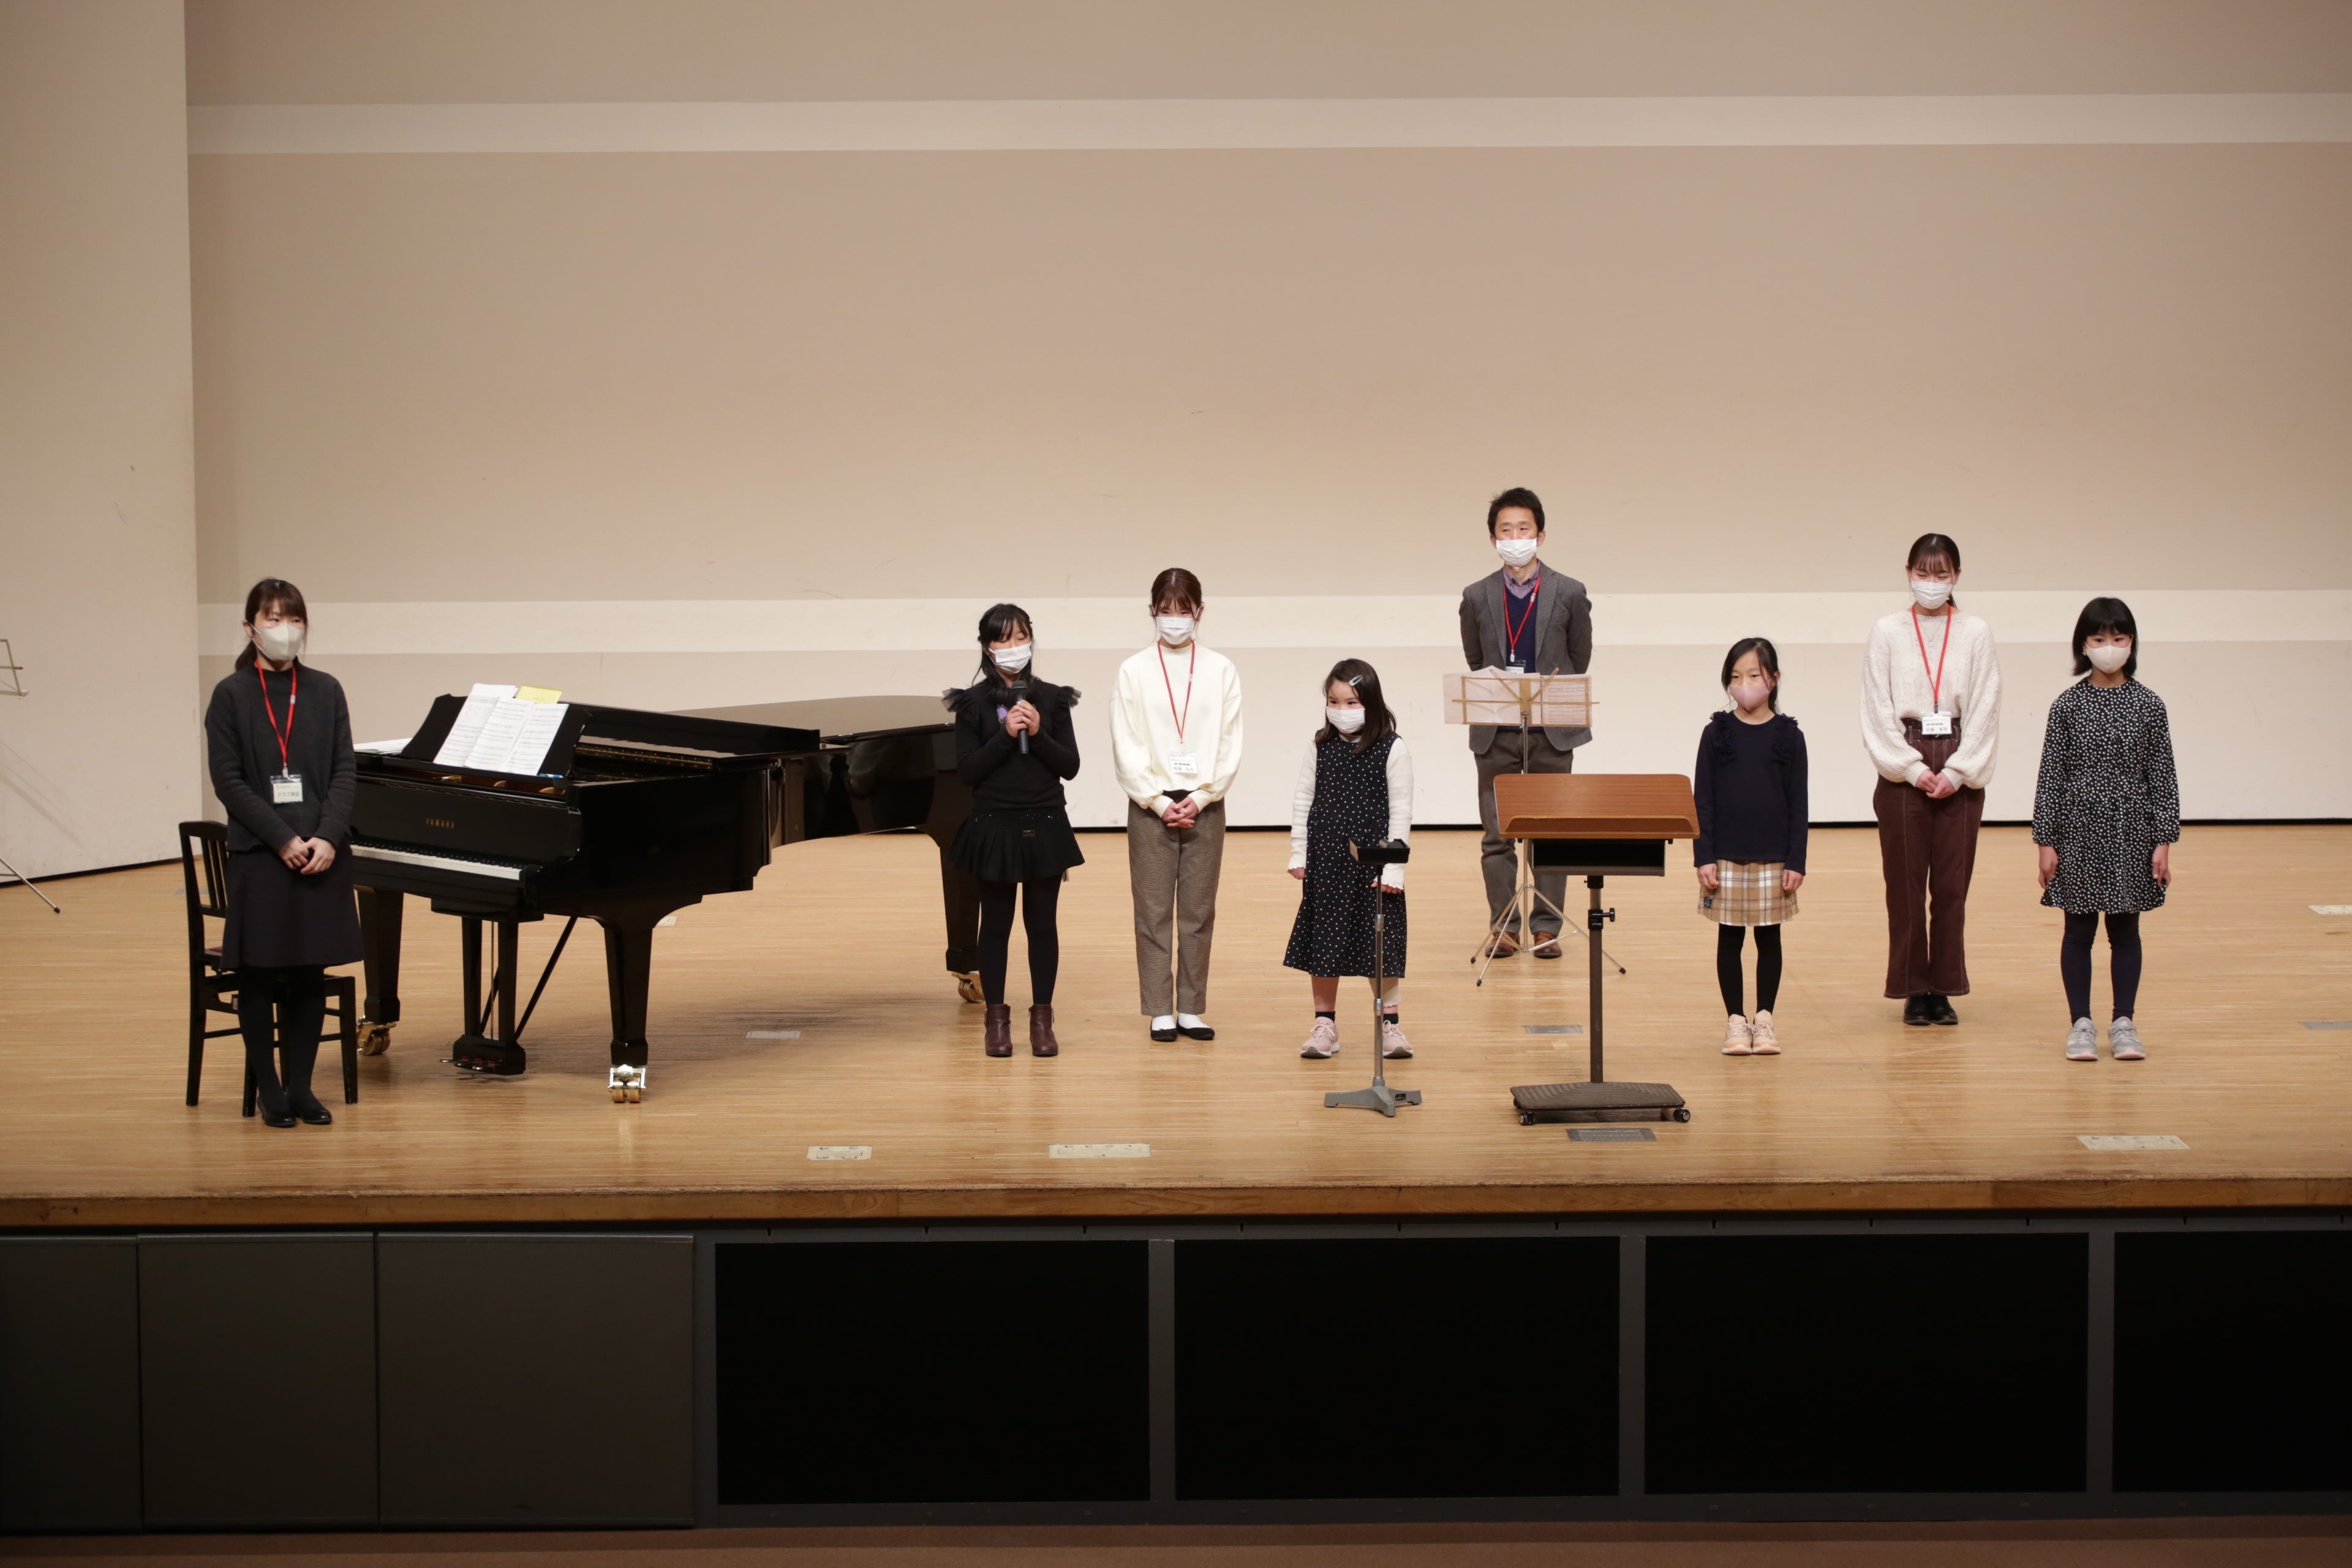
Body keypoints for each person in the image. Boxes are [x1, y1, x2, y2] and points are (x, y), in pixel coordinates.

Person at [203, 579, 363, 1128]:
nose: (284, 630)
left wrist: (328, 835)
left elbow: (344, 770)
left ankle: (302, 1088)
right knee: (259, 975)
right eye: (272, 619)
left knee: (308, 974)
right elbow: (229, 781)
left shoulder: (325, 690)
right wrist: (283, 839)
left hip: (321, 854)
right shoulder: (231, 694)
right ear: (250, 628)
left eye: (293, 619)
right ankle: (270, 1090)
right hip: (262, 855)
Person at [1860, 533, 2003, 1025]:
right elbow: (1876, 706)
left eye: (1942, 574)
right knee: (1904, 886)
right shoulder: (1887, 630)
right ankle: (1911, 987)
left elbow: (1986, 705)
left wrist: (1959, 771)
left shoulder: (1976, 631)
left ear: (1957, 576)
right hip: (1905, 759)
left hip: (1960, 756)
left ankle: (1942, 988)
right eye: (1923, 573)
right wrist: (1913, 768)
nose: (1932, 582)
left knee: (1951, 887)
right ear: (1908, 573)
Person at [2033, 598, 2179, 1063]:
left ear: (2132, 643)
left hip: (2132, 830)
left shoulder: (2149, 705)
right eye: (2099, 638)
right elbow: (2051, 776)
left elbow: (2162, 775)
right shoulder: (2068, 705)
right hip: (2077, 830)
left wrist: (2164, 840)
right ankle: (2080, 1023)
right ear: (2084, 645)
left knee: (2125, 930)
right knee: (2078, 930)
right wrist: (2045, 840)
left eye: (2118, 638)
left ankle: (2124, 1023)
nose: (2109, 646)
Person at [1110, 568, 1245, 1043]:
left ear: (1199, 612)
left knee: (1198, 912)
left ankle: (1190, 1007)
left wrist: (1203, 795)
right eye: (1165, 610)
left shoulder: (1221, 669)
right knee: (1152, 912)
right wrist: (1153, 799)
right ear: (1152, 611)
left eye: (1183, 610)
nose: (1174, 619)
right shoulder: (1133, 670)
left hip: (1205, 804)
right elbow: (1126, 741)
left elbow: (1230, 741)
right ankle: (1158, 1009)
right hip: (1151, 808)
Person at [944, 603, 1084, 1058]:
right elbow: (968, 772)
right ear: (987, 647)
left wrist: (1038, 734)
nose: (1013, 646)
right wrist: (1005, 734)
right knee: (996, 924)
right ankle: (996, 1021)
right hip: (994, 823)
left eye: (1021, 636)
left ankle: (1042, 1020)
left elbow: (1070, 766)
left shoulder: (1053, 699)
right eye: (1003, 638)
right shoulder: (972, 704)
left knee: (1042, 924)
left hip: (1045, 820)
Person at [1459, 486, 1593, 960]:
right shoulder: (1476, 596)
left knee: (1552, 832)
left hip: (1551, 732)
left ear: (1541, 535)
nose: (1515, 538)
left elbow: (1578, 657)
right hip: (1495, 730)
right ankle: (1505, 928)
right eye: (1506, 530)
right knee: (1497, 837)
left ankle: (1545, 928)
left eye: (1524, 529)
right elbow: (1476, 658)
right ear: (1493, 539)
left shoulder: (1570, 591)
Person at [1284, 660, 1413, 1061]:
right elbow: (1303, 800)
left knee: (1380, 941)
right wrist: (1299, 851)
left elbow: (1401, 810)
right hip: (1327, 859)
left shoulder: (1392, 747)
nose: (1342, 709)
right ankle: (1325, 1024)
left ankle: (1390, 1024)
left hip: (1375, 863)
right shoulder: (1319, 746)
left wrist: (1395, 867)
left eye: (1352, 702)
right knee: (1326, 938)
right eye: (1334, 701)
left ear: (1370, 702)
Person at [1693, 638, 1809, 1056]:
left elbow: (1799, 803)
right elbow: (1703, 799)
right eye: (1736, 677)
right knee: (1729, 939)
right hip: (1725, 855)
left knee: (1769, 939)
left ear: (1773, 679)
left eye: (1754, 675)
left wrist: (1796, 860)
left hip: (1774, 857)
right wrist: (1703, 856)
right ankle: (1736, 1022)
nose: (1745, 684)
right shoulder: (1716, 733)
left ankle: (1764, 1019)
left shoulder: (1789, 736)